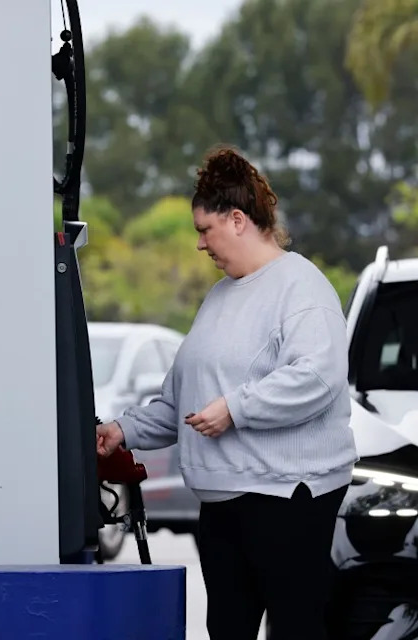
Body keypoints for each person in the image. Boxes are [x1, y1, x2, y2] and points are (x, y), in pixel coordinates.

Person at [95, 147, 358, 639]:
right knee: (227, 631)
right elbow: (182, 403)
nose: (200, 245)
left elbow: (317, 377)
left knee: (297, 629)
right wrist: (122, 430)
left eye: (204, 230)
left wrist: (237, 410)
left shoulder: (300, 287)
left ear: (238, 220)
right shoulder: (218, 297)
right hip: (221, 503)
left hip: (286, 498)